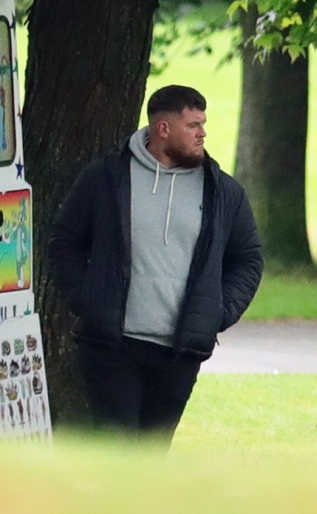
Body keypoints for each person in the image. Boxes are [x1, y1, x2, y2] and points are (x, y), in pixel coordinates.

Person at [47, 84, 264, 445]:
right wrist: (87, 298)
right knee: (117, 448)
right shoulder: (106, 178)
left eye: (203, 124)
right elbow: (64, 242)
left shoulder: (222, 192)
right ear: (163, 129)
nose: (203, 133)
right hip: (113, 347)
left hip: (180, 353)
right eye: (193, 125)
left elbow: (248, 258)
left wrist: (218, 313)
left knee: (151, 454)